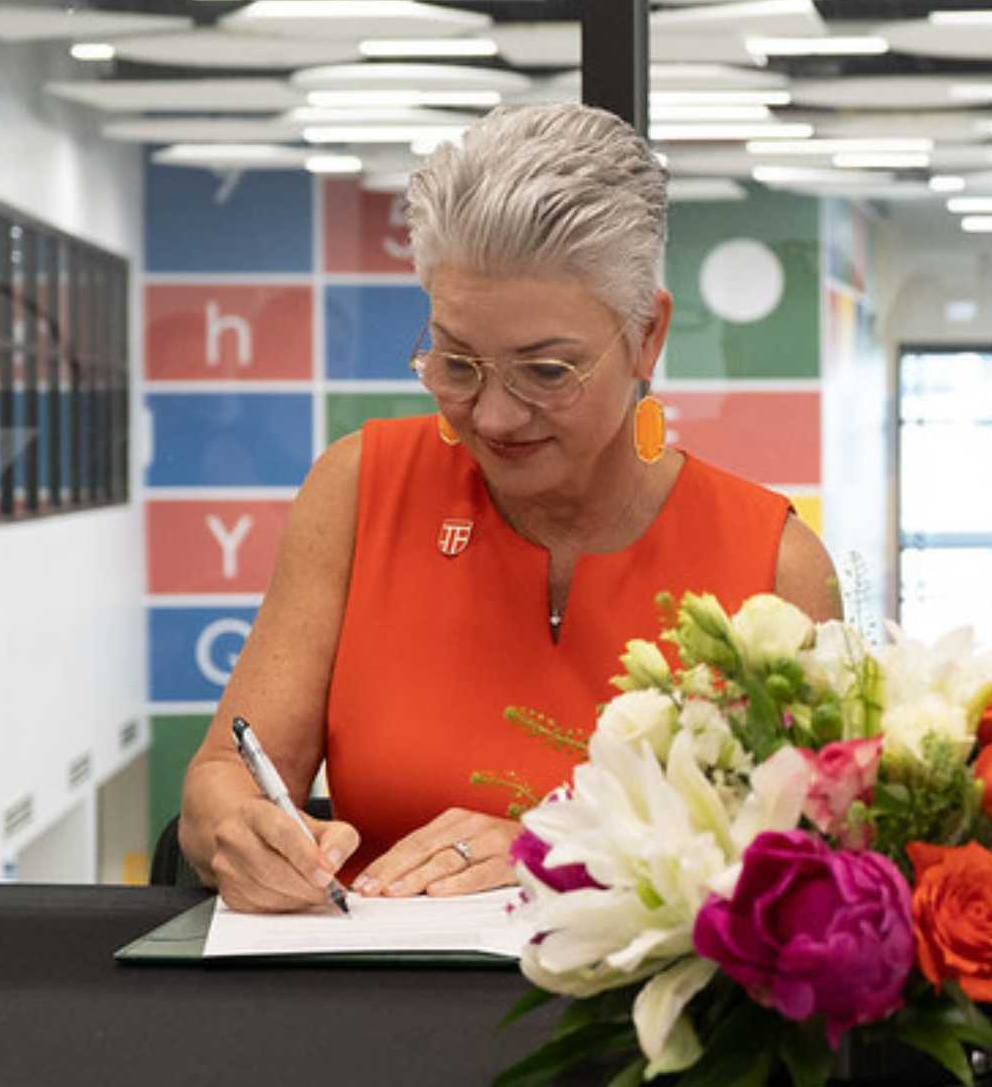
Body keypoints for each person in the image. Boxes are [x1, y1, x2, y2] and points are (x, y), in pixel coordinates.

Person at [178, 102, 840, 912]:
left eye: (546, 373)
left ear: (647, 337)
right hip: (368, 1006)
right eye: (456, 362)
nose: (491, 415)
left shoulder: (772, 563)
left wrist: (563, 850)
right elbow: (220, 781)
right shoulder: (358, 491)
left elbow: (812, 866)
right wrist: (242, 835)